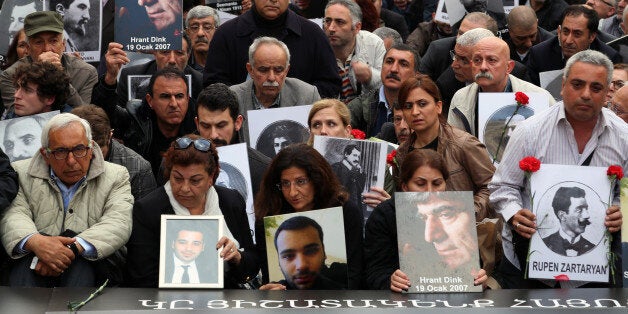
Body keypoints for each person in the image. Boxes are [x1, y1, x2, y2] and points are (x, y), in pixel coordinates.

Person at [489, 50, 626, 289]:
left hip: (594, 269)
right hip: (527, 264)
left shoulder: (622, 137)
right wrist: (515, 214)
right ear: (562, 86)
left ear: (606, 94)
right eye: (577, 84)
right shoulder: (530, 131)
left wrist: (619, 211)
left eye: (596, 88)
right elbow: (502, 187)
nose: (585, 94)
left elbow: (623, 193)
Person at [0, 113, 133, 287]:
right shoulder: (20, 172)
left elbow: (118, 222)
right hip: (32, 260)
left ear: (91, 149)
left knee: (82, 266)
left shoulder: (117, 175)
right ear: (45, 154)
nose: (71, 161)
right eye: (61, 152)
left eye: (79, 150)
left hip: (92, 265)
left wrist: (70, 249)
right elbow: (13, 215)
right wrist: (36, 242)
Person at [126, 134, 259, 288]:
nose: (184, 188)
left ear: (211, 177)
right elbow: (141, 278)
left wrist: (237, 257)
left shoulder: (231, 201)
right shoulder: (148, 210)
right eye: (177, 178)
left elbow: (253, 264)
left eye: (195, 180)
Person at [364, 149, 489, 291]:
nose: (430, 191)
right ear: (405, 187)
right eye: (420, 184)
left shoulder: (459, 210)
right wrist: (390, 281)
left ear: (445, 184)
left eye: (437, 183)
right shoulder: (385, 215)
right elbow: (375, 272)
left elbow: (471, 269)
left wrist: (479, 280)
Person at [254, 143, 364, 289]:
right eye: (285, 184)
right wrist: (271, 292)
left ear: (317, 179)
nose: (293, 192)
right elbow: (269, 278)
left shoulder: (346, 211)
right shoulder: (268, 216)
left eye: (301, 182)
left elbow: (356, 275)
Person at [394, 75, 495, 221]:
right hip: (420, 234)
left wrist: (468, 213)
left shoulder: (463, 144)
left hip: (465, 233)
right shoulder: (402, 153)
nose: (415, 112)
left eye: (422, 104)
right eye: (408, 106)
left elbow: (493, 187)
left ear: (438, 107)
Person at [203, 0, 341, 98]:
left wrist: (297, 99)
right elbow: (213, 87)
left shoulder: (313, 34)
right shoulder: (226, 34)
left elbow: (330, 84)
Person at [92, 67, 197, 179]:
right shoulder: (134, 120)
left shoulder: (199, 125)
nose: (174, 104)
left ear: (187, 99)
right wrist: (109, 80)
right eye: (165, 96)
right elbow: (99, 115)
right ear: (150, 100)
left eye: (179, 96)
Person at [448, 36, 554, 137]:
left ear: (509, 67)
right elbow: (455, 147)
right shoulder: (460, 99)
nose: (483, 67)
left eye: (491, 60)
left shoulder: (540, 97)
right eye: (477, 60)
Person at [0, 11, 98, 112]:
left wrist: (59, 76)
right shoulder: (10, 75)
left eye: (53, 41)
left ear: (63, 45)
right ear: (28, 48)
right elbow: (16, 118)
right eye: (39, 42)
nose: (47, 49)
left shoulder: (86, 72)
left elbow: (84, 116)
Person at [230, 37, 320, 145]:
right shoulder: (233, 97)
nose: (271, 78)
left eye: (278, 70)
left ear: (286, 70)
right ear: (250, 70)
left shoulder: (308, 95)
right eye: (263, 70)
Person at [308, 98, 392, 206]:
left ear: (347, 131)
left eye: (331, 124)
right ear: (310, 131)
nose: (323, 131)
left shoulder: (378, 170)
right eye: (316, 125)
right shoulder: (300, 165)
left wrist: (387, 205)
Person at [93, 35, 203, 117]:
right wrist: (110, 78)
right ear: (155, 52)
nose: (172, 60)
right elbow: (106, 115)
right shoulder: (131, 75)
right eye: (165, 52)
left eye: (179, 53)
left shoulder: (199, 80)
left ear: (188, 55)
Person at [195, 83, 271, 198]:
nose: (213, 135)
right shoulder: (176, 165)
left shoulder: (263, 170)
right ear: (197, 124)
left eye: (221, 125)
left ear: (238, 122)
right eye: (205, 126)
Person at [71, 104, 157, 201]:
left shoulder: (138, 168)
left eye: (96, 153)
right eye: (79, 152)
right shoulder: (59, 159)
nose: (88, 159)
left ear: (110, 136)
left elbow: (143, 214)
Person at [526, 5, 622, 86]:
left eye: (577, 34)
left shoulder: (609, 58)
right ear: (559, 31)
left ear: (592, 36)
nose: (568, 40)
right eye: (565, 31)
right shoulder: (539, 54)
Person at [348, 43, 419, 137]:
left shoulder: (421, 109)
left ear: (416, 75)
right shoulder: (359, 106)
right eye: (389, 62)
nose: (393, 69)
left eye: (403, 64)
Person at [324, 0, 386, 103]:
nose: (331, 28)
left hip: (368, 115)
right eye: (328, 21)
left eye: (339, 22)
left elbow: (387, 86)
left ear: (357, 27)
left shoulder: (374, 43)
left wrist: (370, 77)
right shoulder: (317, 45)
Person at [261, 216, 344, 290]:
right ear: (279, 262)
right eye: (288, 256)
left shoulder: (343, 293)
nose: (302, 265)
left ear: (324, 252)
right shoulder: (273, 294)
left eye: (311, 251)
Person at [419, 12, 498, 83]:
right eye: (460, 33)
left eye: (471, 36)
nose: (462, 39)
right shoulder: (438, 49)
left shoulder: (499, 67)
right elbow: (420, 82)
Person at [5, 62, 70, 119]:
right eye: (17, 88)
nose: (16, 95)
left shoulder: (71, 127)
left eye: (27, 90)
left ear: (50, 99)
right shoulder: (12, 116)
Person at [542, 186, 595, 256]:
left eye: (586, 209)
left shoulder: (593, 248)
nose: (587, 215)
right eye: (579, 210)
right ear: (562, 216)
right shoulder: (543, 244)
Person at [331, 144, 367, 213]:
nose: (357, 159)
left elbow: (360, 190)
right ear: (346, 154)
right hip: (340, 210)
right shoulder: (336, 168)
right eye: (354, 155)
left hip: (355, 211)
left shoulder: (357, 171)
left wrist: (361, 174)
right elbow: (340, 188)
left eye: (358, 157)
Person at [185, 5, 220, 71]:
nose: (200, 33)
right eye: (195, 28)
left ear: (217, 31)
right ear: (187, 33)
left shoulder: (228, 61)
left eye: (207, 27)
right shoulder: (180, 63)